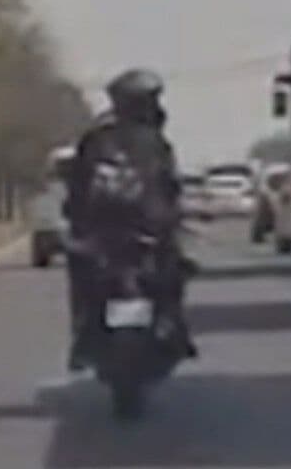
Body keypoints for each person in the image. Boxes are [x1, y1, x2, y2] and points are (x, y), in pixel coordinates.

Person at [62, 67, 197, 371]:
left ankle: (86, 337)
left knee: (84, 272)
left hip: (110, 233)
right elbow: (171, 187)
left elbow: (76, 186)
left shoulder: (96, 140)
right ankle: (171, 326)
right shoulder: (154, 142)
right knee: (174, 270)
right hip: (141, 232)